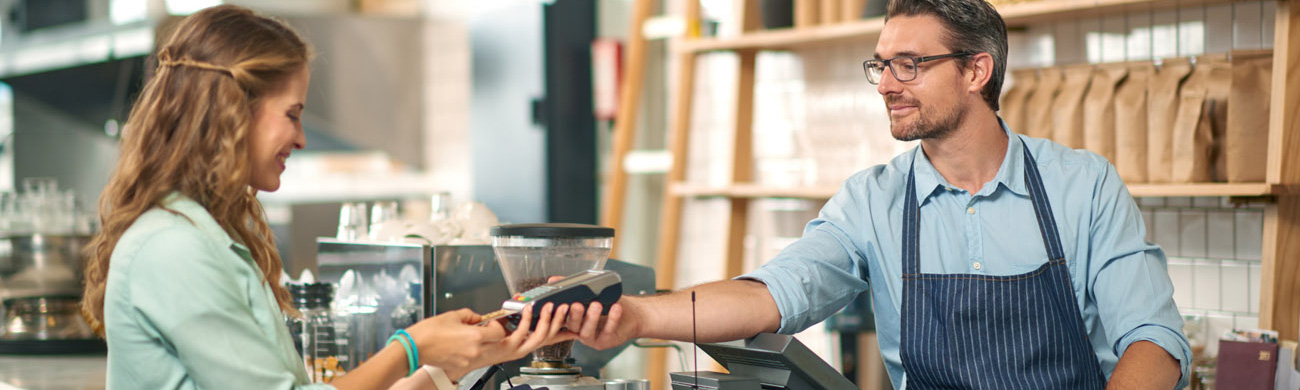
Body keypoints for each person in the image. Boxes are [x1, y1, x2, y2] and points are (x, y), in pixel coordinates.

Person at [564, 0, 1191, 388]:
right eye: (881, 65)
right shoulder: (872, 201)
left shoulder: (1081, 185)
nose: (886, 84)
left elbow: (1154, 341)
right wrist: (639, 316)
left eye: (910, 65)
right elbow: (773, 295)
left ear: (977, 71)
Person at [79, 5, 571, 389]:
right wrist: (410, 346)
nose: (301, 138)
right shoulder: (176, 249)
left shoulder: (204, 236)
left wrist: (464, 360)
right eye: (292, 114)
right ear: (234, 110)